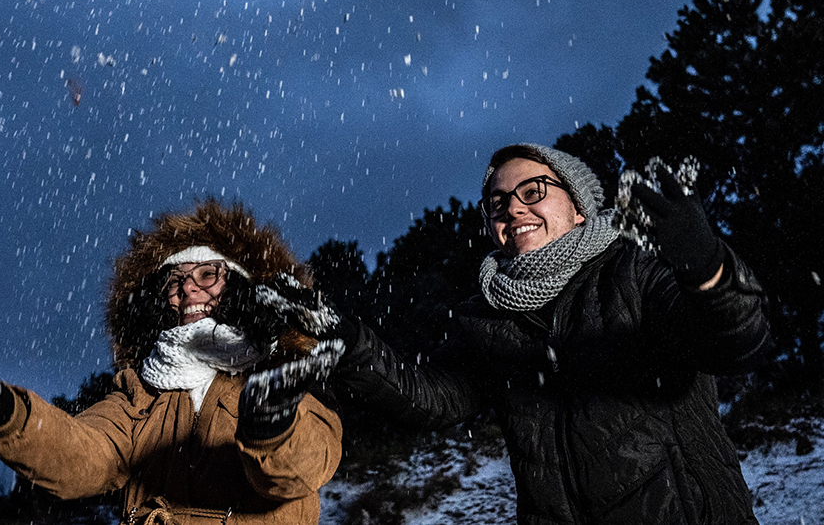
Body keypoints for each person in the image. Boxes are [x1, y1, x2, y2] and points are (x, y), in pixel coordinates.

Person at [267, 143, 773, 524]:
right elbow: (432, 398)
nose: (512, 208)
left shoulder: (634, 272)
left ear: (578, 207)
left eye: (533, 192)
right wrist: (350, 342)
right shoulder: (487, 320)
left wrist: (708, 270)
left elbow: (739, 342)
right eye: (497, 203)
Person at [0, 199, 344, 525]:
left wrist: (270, 426)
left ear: (243, 287)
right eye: (174, 282)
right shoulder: (141, 390)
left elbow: (307, 466)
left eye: (207, 274)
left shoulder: (281, 374)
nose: (187, 289)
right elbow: (83, 455)